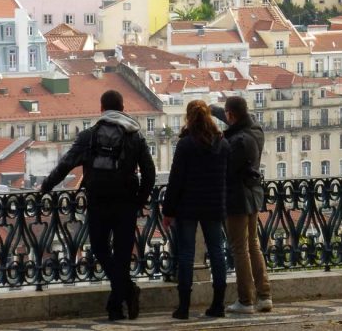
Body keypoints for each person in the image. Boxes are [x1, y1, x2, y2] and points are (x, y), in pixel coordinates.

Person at [41, 90, 156, 321]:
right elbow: (149, 172)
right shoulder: (135, 136)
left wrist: (46, 186)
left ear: (102, 109)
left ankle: (121, 300)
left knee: (100, 248)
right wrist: (140, 199)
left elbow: (66, 164)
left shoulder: (89, 136)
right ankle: (119, 301)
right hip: (126, 202)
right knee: (122, 255)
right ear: (123, 108)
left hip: (98, 201)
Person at [162, 100, 230, 319]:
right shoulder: (222, 144)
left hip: (188, 205)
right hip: (214, 204)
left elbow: (175, 180)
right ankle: (218, 304)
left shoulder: (185, 144)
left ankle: (184, 307)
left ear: (188, 117)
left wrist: (168, 210)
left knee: (186, 254)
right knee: (217, 252)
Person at [210, 96, 273, 314]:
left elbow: (226, 170)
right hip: (254, 194)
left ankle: (246, 300)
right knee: (253, 245)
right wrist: (212, 110)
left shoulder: (236, 141)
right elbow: (232, 117)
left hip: (237, 197)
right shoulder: (255, 129)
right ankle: (264, 296)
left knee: (239, 248)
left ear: (231, 115)